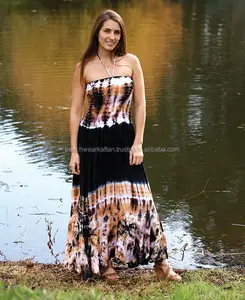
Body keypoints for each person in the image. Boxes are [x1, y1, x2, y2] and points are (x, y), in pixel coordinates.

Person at [64, 9, 181, 282]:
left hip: (124, 138)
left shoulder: (131, 62)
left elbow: (140, 104)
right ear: (97, 32)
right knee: (101, 203)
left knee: (141, 199)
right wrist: (74, 152)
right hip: (92, 141)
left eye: (116, 32)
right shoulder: (84, 67)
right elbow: (74, 111)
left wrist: (138, 141)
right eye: (107, 31)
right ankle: (106, 264)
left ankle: (161, 264)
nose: (112, 37)